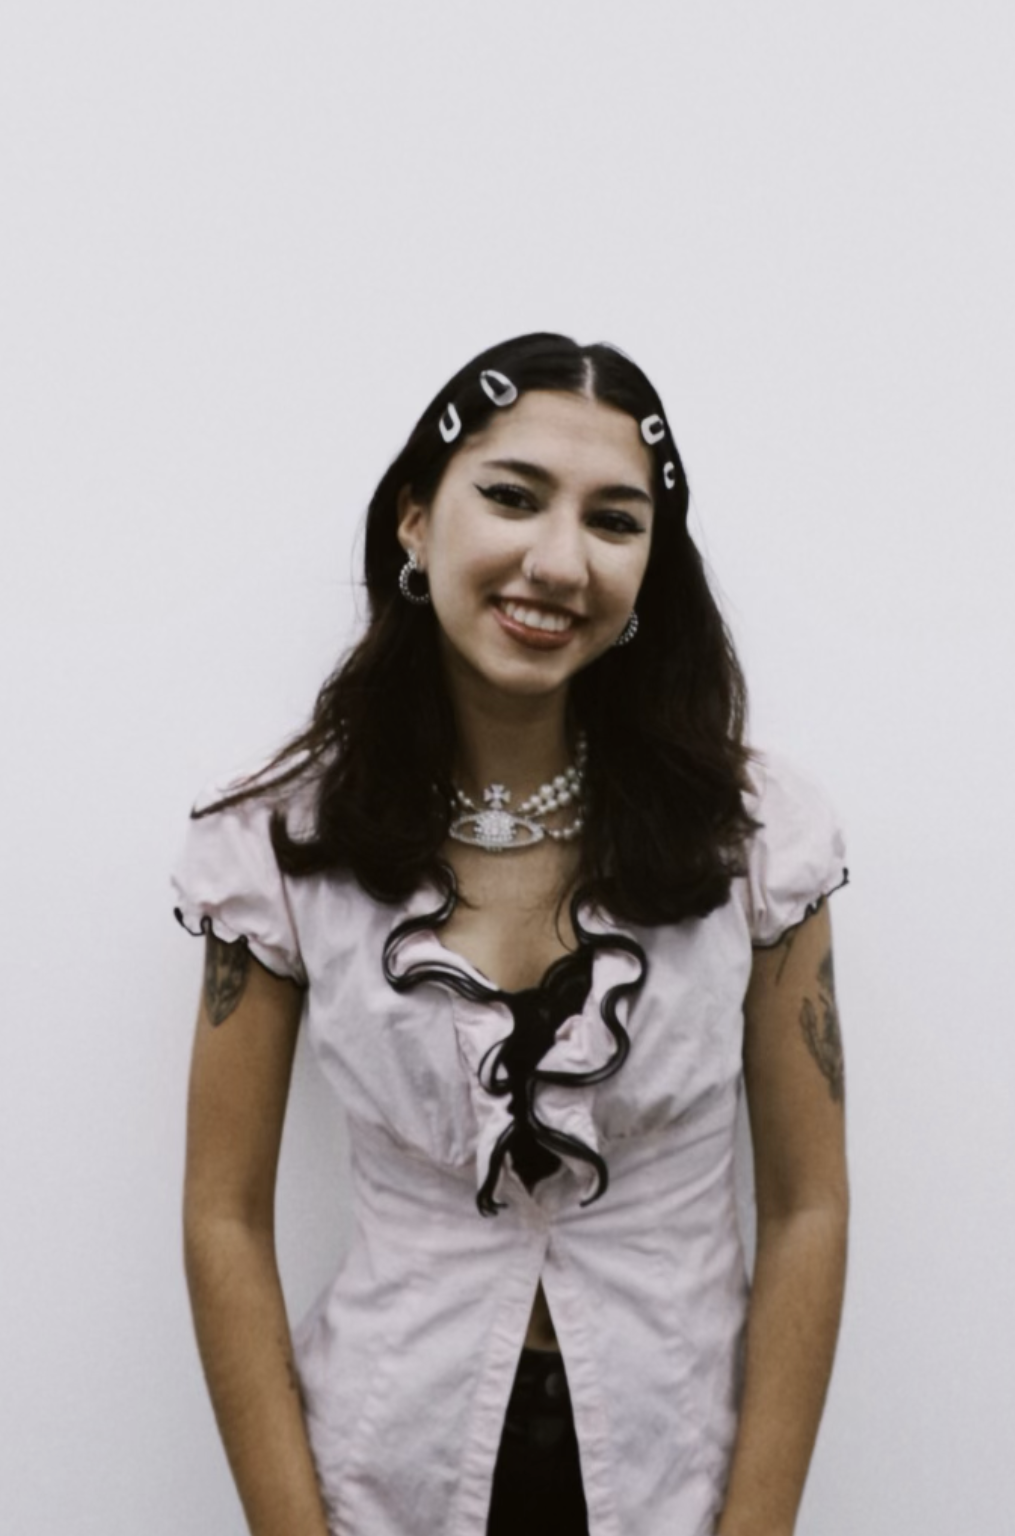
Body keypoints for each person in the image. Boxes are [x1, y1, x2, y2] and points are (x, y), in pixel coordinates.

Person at [172, 332, 850, 1536]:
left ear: (651, 569)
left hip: (674, 1471)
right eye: (511, 496)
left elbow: (809, 1206)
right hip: (381, 1467)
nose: (557, 561)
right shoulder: (277, 845)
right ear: (414, 522)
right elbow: (223, 1213)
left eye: (615, 520)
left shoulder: (755, 837)